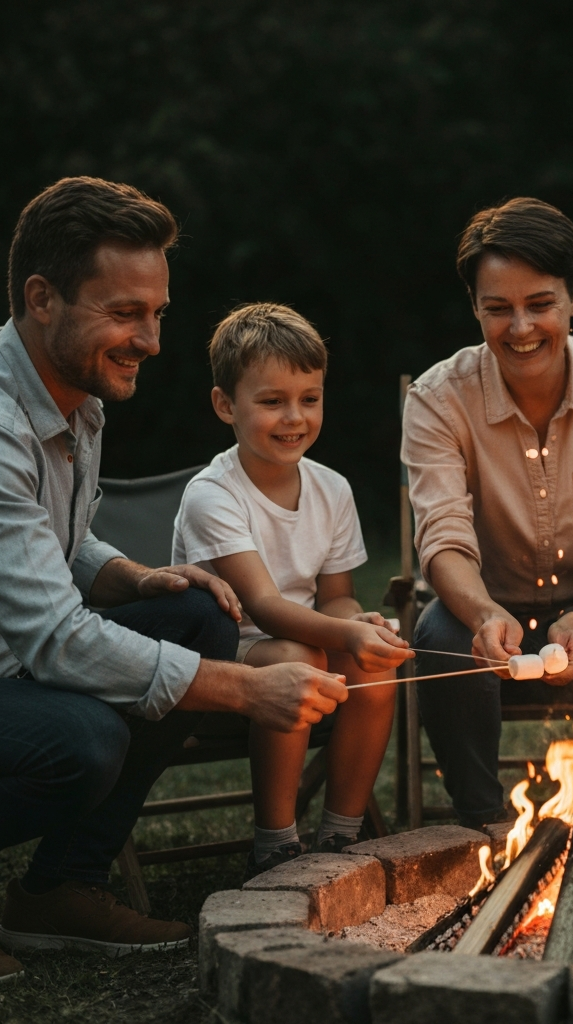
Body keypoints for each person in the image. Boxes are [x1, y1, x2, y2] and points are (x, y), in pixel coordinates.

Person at [0, 178, 348, 983]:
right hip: (1, 672)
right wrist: (248, 692)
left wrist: (133, 576)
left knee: (197, 613)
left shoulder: (73, 397)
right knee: (82, 741)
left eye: (157, 313)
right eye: (124, 313)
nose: (149, 340)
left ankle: (60, 889)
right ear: (42, 298)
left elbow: (57, 540)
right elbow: (53, 638)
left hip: (10, 663)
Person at [402, 197, 573, 827]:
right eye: (498, 309)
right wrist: (486, 614)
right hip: (482, 605)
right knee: (442, 638)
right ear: (475, 307)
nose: (520, 328)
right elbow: (442, 539)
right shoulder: (439, 399)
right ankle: (483, 823)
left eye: (539, 305)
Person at [172, 303, 414, 876]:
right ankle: (276, 842)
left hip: (301, 638)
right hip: (221, 650)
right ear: (225, 405)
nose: (294, 417)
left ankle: (340, 836)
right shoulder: (214, 495)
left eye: (310, 398)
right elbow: (262, 606)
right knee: (300, 658)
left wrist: (361, 622)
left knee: (375, 668)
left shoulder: (332, 489)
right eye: (272, 401)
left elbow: (334, 598)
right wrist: (344, 632)